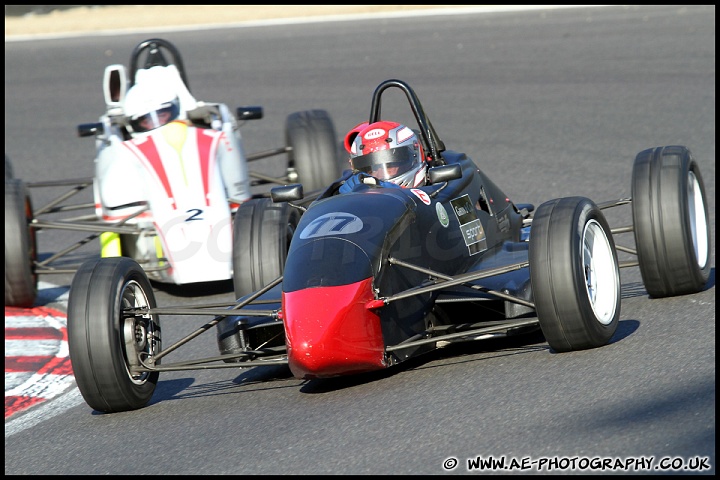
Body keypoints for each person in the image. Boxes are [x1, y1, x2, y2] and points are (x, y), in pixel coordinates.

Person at [339, 120, 429, 194]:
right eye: (371, 170)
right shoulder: (351, 185)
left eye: (389, 166)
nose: (378, 175)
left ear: (412, 160)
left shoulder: (439, 191)